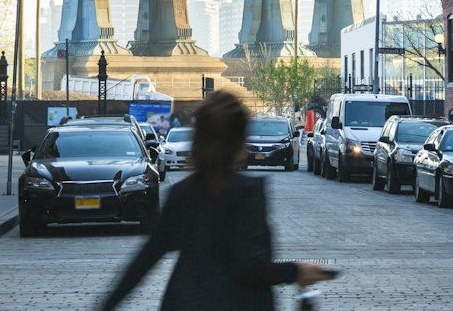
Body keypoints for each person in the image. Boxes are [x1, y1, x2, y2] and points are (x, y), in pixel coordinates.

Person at [99, 90, 335, 311]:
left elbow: (144, 260)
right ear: (240, 139)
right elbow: (249, 267)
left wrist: (107, 304)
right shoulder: (247, 192)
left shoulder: (181, 193)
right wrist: (297, 271)